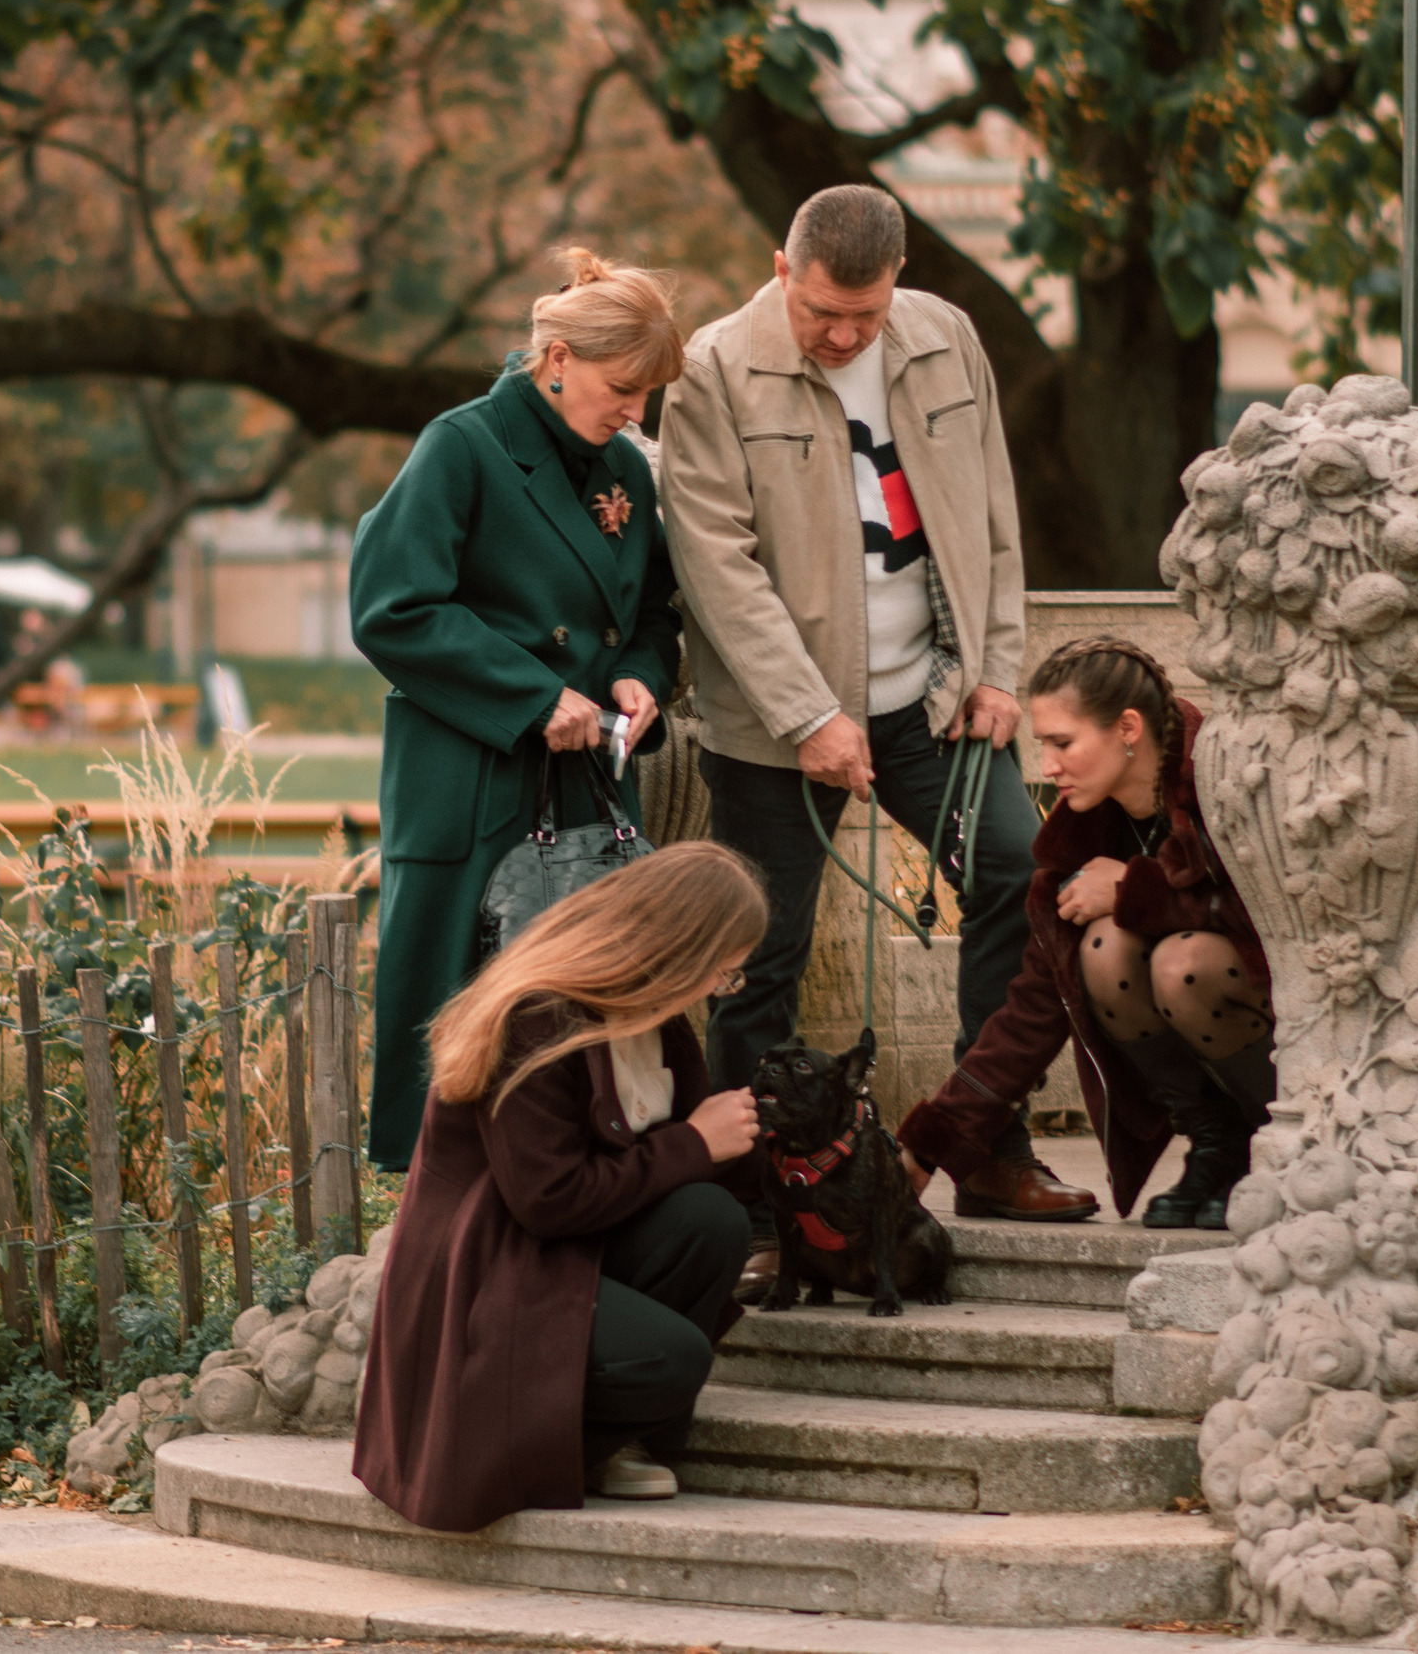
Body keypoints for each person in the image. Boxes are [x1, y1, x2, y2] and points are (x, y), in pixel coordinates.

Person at [660, 183, 1093, 1257]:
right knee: (761, 957)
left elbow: (992, 512)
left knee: (1014, 870)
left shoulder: (944, 337)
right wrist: (807, 713)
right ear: (780, 270)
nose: (843, 333)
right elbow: (715, 567)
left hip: (933, 706)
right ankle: (757, 1208)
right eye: (821, 312)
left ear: (896, 283)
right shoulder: (713, 369)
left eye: (863, 311)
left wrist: (996, 668)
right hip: (772, 728)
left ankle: (986, 1147)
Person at [350, 248, 686, 1171]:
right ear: (559, 356)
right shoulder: (459, 445)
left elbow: (654, 612)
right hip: (475, 784)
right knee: (465, 1044)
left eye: (647, 394)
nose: (636, 413)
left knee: (582, 1035)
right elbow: (391, 608)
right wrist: (535, 696)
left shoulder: (626, 465)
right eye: (624, 387)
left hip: (588, 788)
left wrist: (641, 677)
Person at [355, 842, 767, 1530]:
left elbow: (697, 1165)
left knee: (711, 1218)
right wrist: (696, 1139)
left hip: (563, 1250)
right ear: (681, 949)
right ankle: (536, 1445)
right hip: (488, 1274)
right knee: (675, 1358)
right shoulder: (535, 1015)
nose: (721, 991)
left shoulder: (655, 1014)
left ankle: (613, 1443)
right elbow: (549, 1200)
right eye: (724, 973)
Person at [896, 639, 1275, 1230]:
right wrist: (927, 1147)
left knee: (1184, 964)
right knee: (1103, 950)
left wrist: (1133, 890)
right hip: (1226, 1058)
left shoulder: (1222, 772)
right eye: (1042, 744)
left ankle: (1270, 1142)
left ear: (1128, 727)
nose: (1046, 767)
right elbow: (1033, 1008)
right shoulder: (1082, 834)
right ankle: (1218, 1148)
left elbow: (1270, 927)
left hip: (1300, 1050)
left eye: (1062, 743)